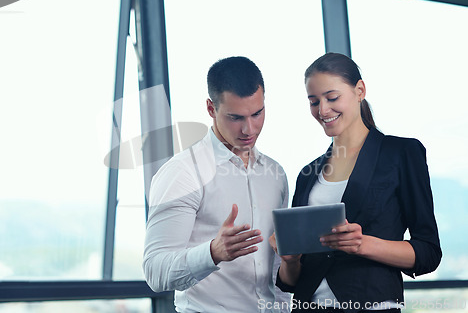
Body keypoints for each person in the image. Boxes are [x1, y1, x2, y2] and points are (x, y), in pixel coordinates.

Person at [270, 52, 442, 313]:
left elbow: (428, 252)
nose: (322, 110)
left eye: (332, 97)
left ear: (360, 90)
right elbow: (291, 280)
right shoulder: (308, 174)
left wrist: (363, 244)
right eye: (314, 101)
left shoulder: (401, 153)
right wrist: (290, 260)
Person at [143, 56, 291, 312]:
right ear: (211, 108)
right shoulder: (183, 172)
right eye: (235, 117)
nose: (249, 129)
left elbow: (276, 269)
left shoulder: (275, 174)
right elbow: (156, 272)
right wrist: (212, 252)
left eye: (257, 113)